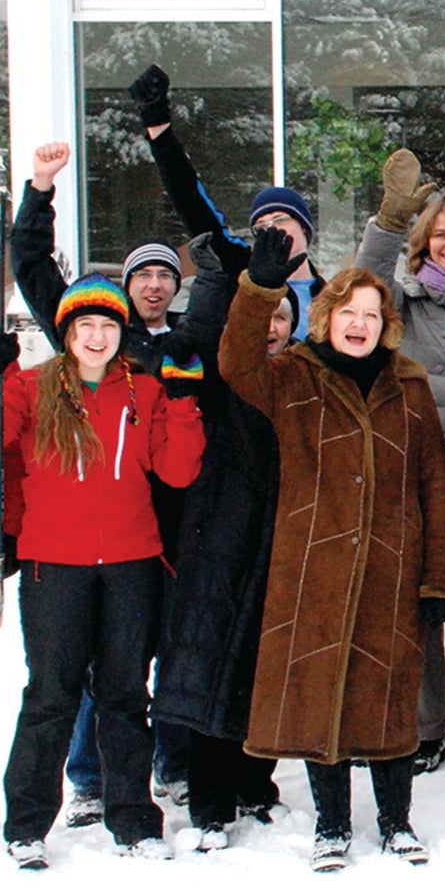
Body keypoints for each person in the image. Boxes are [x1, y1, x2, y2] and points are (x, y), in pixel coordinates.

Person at [219, 237, 445, 871]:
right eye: (349, 312)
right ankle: (331, 824)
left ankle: (395, 821)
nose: (360, 325)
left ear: (387, 327)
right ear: (326, 317)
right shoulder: (294, 377)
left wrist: (439, 576)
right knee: (320, 692)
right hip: (314, 569)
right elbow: (236, 365)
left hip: (392, 566)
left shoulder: (408, 386)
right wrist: (259, 290)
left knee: (387, 696)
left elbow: (435, 482)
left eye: (373, 315)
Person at [11, 139, 224, 819]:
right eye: (144, 275)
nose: (155, 284)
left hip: (155, 538)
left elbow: (181, 460)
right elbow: (33, 267)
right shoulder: (69, 360)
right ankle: (82, 782)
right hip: (71, 548)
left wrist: (186, 399)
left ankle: (151, 784)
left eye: (167, 274)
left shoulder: (176, 352)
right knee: (68, 679)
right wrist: (40, 191)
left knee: (136, 674)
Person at [0, 276, 205, 867]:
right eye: (85, 326)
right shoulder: (31, 388)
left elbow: (176, 472)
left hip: (131, 563)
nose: (97, 337)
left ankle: (133, 819)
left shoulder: (142, 391)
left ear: (121, 333)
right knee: (51, 695)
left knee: (125, 694)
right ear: (67, 333)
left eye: (108, 326)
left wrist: (181, 400)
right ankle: (26, 824)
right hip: (56, 566)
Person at [147, 243, 289, 849]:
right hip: (215, 536)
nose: (275, 325)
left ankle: (255, 784)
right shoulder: (221, 369)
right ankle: (208, 804)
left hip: (276, 541)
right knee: (210, 666)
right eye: (267, 314)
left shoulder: (303, 377)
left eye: (285, 316)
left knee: (263, 667)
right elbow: (205, 335)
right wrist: (214, 277)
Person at [355, 148, 445, 768]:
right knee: (423, 613)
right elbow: (362, 281)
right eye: (438, 234)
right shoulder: (400, 303)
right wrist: (387, 220)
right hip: (419, 487)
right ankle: (426, 730)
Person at [126, 62, 323, 334]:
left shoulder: (333, 295)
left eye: (280, 218)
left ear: (304, 227)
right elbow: (191, 204)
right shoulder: (241, 271)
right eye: (262, 226)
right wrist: (158, 127)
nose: (272, 229)